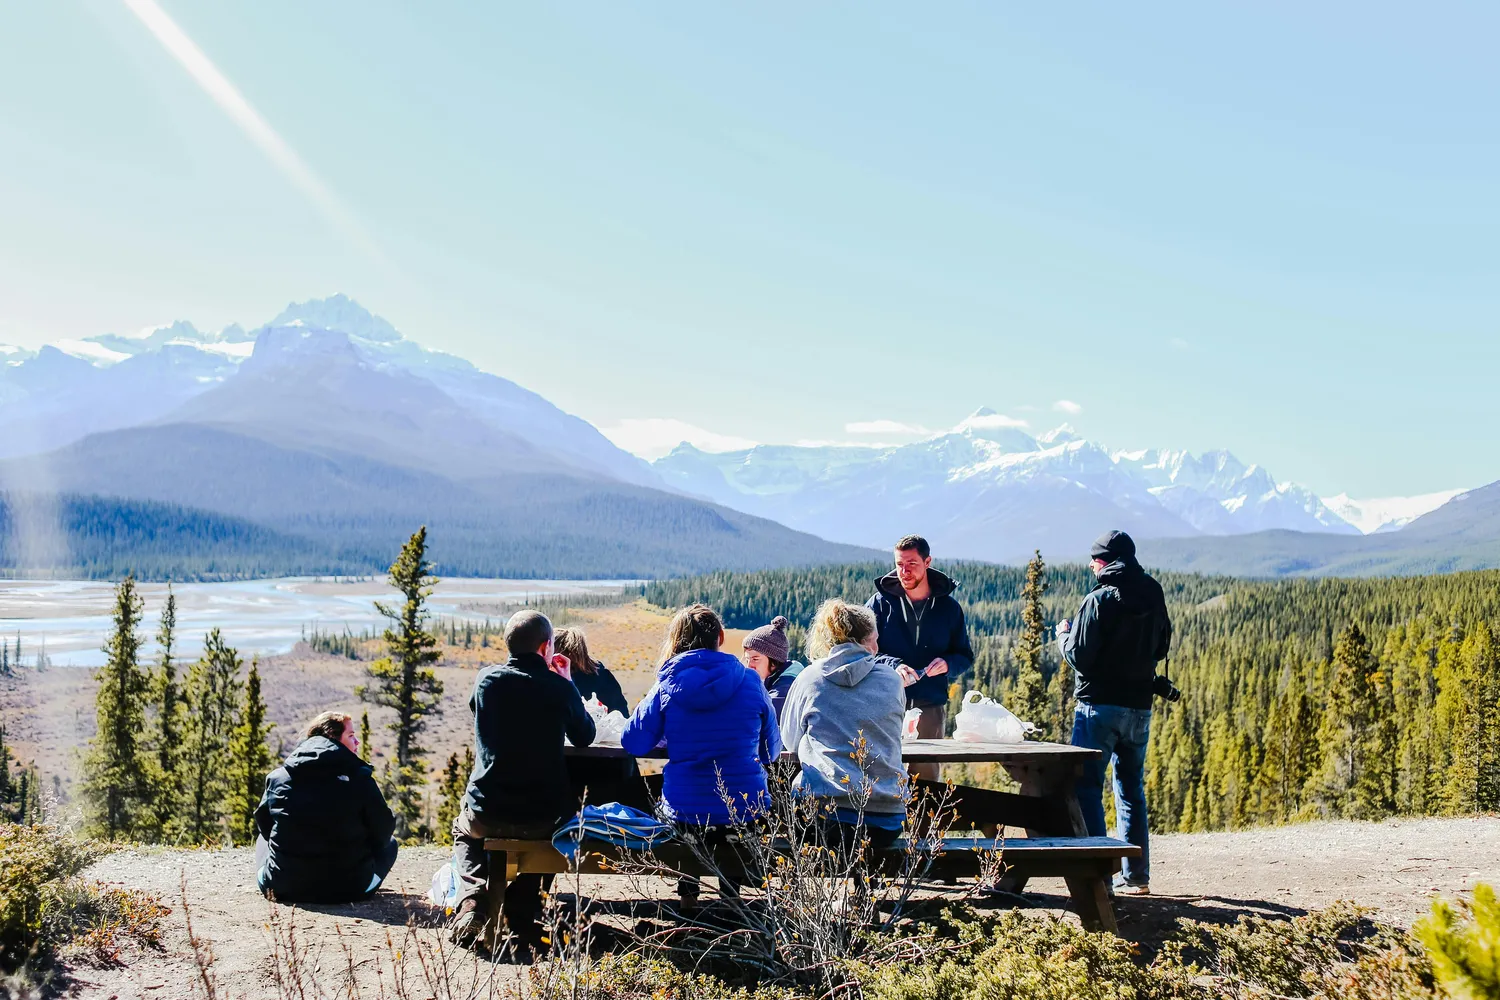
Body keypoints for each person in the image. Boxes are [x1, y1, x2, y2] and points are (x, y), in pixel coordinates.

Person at [449, 610, 596, 952]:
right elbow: (585, 735)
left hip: (488, 809)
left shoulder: (487, 680)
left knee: (464, 828)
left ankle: (474, 899)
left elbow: (479, 709)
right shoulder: (558, 688)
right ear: (546, 647)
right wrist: (566, 682)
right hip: (542, 815)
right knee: (555, 833)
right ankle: (522, 905)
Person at [622, 604, 781, 899]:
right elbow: (772, 751)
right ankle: (731, 900)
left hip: (687, 814)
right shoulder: (750, 681)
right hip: (745, 812)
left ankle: (688, 900)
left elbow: (633, 742)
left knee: (679, 811)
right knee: (731, 824)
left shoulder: (667, 684)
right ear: (720, 636)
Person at [1057, 529, 1172, 896]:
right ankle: (1137, 876)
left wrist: (1063, 635)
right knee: (1130, 789)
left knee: (1088, 787)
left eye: (1093, 561)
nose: (1092, 567)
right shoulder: (1153, 592)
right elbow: (1162, 645)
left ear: (1102, 562)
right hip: (1139, 706)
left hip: (1097, 707)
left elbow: (1080, 658)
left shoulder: (1099, 599)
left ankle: (1100, 874)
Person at [779, 600, 908, 853]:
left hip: (821, 818)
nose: (878, 647)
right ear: (863, 642)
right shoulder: (892, 680)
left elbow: (790, 740)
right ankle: (863, 890)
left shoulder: (810, 678)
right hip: (886, 821)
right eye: (874, 640)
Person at [254, 711, 398, 903]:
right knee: (391, 844)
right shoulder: (360, 780)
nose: (357, 743)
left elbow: (265, 826)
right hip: (350, 890)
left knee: (263, 841)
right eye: (351, 736)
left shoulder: (278, 778)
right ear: (332, 737)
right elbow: (383, 830)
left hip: (282, 887)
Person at [866, 534, 974, 782]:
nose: (904, 571)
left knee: (925, 781)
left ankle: (925, 823)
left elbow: (964, 655)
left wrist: (948, 664)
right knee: (882, 775)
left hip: (930, 707)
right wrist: (893, 665)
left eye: (911, 564)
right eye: (899, 564)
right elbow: (864, 651)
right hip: (886, 703)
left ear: (927, 562)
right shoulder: (879, 604)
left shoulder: (949, 608)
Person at [555, 626, 651, 812]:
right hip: (615, 777)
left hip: (573, 779)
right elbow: (624, 719)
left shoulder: (558, 681)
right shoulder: (604, 676)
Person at [741, 615, 804, 722]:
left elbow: (758, 719)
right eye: (747, 659)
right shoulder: (778, 678)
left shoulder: (784, 689)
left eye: (755, 659)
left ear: (774, 661)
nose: (749, 666)